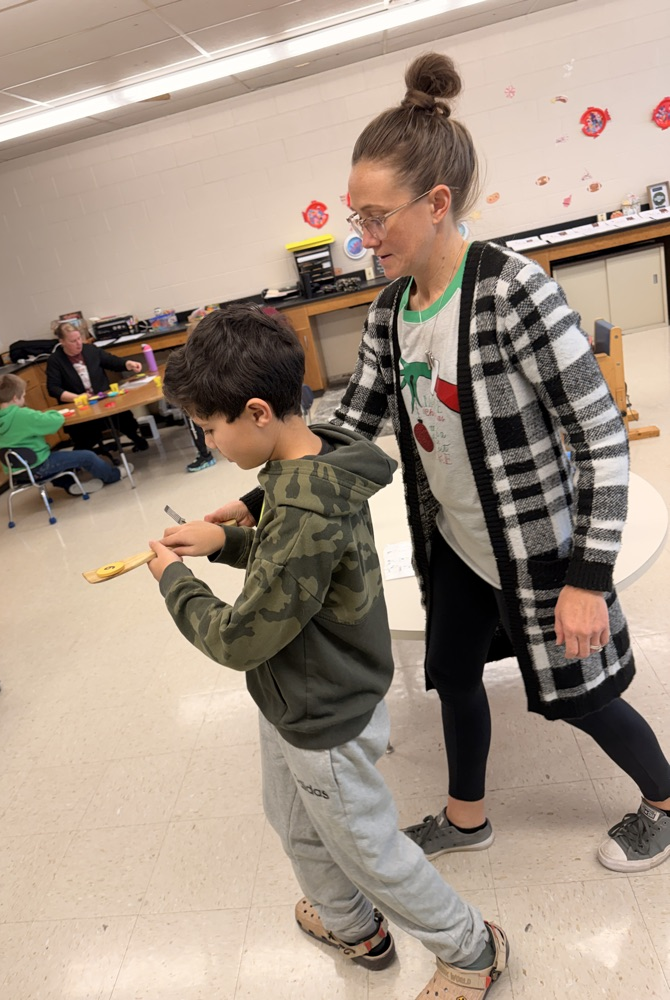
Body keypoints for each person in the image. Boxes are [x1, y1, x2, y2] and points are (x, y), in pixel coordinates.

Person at [208, 51, 670, 876]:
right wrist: (251, 506)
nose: (365, 237)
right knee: (453, 673)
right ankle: (467, 818)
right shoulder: (390, 313)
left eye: (377, 217)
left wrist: (588, 579)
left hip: (540, 550)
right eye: (357, 217)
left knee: (582, 697)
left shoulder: (512, 293)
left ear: (438, 202)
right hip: (455, 541)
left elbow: (600, 436)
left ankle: (667, 803)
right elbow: (348, 429)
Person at [145, 304, 509, 999]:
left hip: (322, 709)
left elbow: (240, 635)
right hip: (293, 693)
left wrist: (176, 584)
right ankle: (354, 927)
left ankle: (470, 948)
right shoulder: (314, 458)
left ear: (256, 413)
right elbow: (304, 576)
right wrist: (229, 542)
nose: (209, 441)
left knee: (369, 849)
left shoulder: (306, 506)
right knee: (292, 822)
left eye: (210, 428)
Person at [0, 373, 131, 492]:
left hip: (17, 471)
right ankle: (113, 475)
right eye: (23, 396)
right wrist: (57, 414)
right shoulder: (21, 414)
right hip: (37, 467)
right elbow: (51, 423)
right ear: (15, 397)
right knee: (87, 456)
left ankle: (69, 485)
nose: (24, 400)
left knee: (58, 456)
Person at [46, 321, 149, 454]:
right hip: (80, 406)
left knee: (124, 418)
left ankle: (136, 438)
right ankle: (80, 457)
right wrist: (77, 397)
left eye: (79, 338)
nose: (78, 343)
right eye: (73, 341)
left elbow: (111, 361)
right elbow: (53, 388)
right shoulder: (55, 360)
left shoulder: (90, 350)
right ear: (62, 342)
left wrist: (128, 364)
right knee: (86, 437)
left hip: (103, 399)